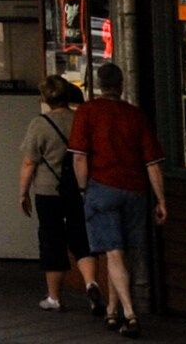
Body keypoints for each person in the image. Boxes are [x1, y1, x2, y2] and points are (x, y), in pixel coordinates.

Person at [69, 61, 167, 337]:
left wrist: (82, 189)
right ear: (121, 85)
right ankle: (111, 312)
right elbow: (152, 164)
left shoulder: (88, 112)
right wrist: (161, 199)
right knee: (125, 253)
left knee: (113, 253)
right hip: (135, 190)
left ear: (99, 85)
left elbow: (79, 156)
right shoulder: (136, 116)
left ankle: (130, 313)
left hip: (102, 186)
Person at [19, 76, 102, 315]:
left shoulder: (40, 124)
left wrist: (23, 193)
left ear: (44, 98)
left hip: (48, 191)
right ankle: (91, 284)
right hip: (79, 190)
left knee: (52, 241)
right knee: (81, 238)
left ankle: (54, 297)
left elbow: (28, 163)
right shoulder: (80, 120)